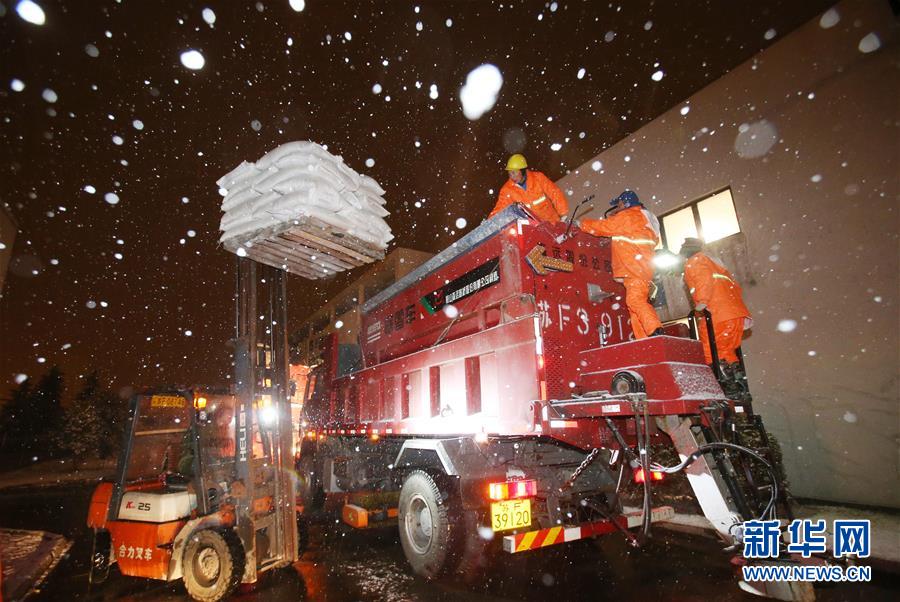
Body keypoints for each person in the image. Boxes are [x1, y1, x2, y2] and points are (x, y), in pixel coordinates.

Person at [580, 190, 663, 339]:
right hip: (642, 269)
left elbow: (603, 227)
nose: (617, 209)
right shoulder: (644, 219)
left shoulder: (628, 217)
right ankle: (644, 340)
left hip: (634, 269)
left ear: (625, 203)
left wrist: (582, 223)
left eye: (618, 205)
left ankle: (655, 329)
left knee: (634, 301)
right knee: (634, 306)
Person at [678, 237, 752, 379]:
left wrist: (703, 302)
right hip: (734, 316)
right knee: (726, 351)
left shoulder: (695, 261)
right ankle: (736, 383)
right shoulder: (716, 265)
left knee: (710, 351)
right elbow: (735, 288)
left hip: (717, 315)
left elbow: (703, 280)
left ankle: (723, 384)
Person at [489, 154, 569, 222]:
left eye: (514, 172)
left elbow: (555, 193)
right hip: (534, 231)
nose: (512, 176)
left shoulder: (538, 178)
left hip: (552, 222)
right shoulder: (507, 190)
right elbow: (499, 209)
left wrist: (563, 213)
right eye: (509, 173)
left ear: (523, 170)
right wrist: (489, 223)